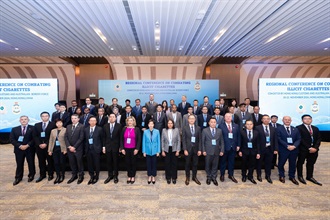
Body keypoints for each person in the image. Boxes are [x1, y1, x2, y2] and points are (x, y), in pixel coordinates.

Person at [296, 114, 322, 186]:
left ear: (311, 120)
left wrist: (315, 148)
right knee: (300, 163)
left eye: (309, 119)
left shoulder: (315, 128)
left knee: (311, 163)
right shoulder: (298, 128)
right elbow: (300, 139)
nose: (308, 120)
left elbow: (318, 139)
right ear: (302, 120)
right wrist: (309, 147)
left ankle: (309, 176)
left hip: (314, 150)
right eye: (305, 119)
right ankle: (300, 176)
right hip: (303, 149)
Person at [10, 116, 36, 185]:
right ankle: (18, 177)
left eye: (25, 119)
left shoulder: (33, 128)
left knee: (31, 163)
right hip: (19, 150)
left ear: (28, 120)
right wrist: (20, 146)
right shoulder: (14, 129)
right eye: (22, 119)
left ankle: (31, 175)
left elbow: (34, 138)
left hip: (29, 149)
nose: (23, 121)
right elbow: (12, 140)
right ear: (19, 121)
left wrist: (27, 145)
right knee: (19, 164)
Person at [277, 116, 301, 185]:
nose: (287, 121)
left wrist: (294, 146)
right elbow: (279, 139)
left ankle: (292, 176)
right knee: (281, 163)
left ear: (291, 120)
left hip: (294, 150)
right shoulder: (279, 129)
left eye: (289, 120)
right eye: (285, 120)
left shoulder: (295, 129)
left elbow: (298, 139)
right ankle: (281, 175)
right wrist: (287, 146)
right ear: (282, 120)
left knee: (293, 164)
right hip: (283, 149)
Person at [33, 111, 56, 183]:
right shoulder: (37, 125)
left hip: (49, 146)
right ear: (41, 117)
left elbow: (53, 136)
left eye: (46, 116)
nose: (44, 117)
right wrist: (39, 144)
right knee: (41, 161)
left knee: (50, 161)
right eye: (43, 116)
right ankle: (42, 175)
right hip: (39, 147)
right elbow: (35, 136)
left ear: (49, 117)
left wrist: (46, 143)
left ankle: (50, 174)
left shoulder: (53, 124)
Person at [255, 115, 278, 184]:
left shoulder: (273, 128)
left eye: (267, 119)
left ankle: (268, 176)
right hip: (260, 149)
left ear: (269, 120)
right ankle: (259, 175)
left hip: (270, 149)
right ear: (262, 120)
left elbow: (275, 139)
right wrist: (257, 150)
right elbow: (256, 140)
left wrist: (276, 149)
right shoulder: (257, 128)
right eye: (264, 119)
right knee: (259, 163)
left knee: (268, 163)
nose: (266, 120)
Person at [201, 117, 224, 186]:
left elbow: (222, 142)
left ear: (216, 123)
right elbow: (203, 141)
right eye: (212, 122)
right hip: (208, 151)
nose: (213, 123)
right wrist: (203, 150)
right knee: (207, 165)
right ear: (209, 123)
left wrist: (222, 150)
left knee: (215, 165)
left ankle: (214, 177)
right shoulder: (205, 130)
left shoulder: (219, 131)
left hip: (217, 151)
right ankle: (208, 177)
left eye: (214, 122)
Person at [219, 113, 241, 183]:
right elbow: (219, 137)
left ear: (232, 118)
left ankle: (231, 175)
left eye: (229, 117)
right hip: (224, 147)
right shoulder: (221, 126)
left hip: (233, 147)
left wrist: (238, 145)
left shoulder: (236, 126)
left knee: (232, 162)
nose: (228, 118)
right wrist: (220, 147)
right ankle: (222, 175)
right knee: (223, 162)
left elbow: (238, 136)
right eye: (227, 117)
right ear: (224, 118)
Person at [120, 116, 141, 184]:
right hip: (126, 149)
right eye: (129, 121)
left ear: (133, 121)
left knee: (133, 162)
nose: (130, 122)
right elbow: (121, 139)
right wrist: (122, 148)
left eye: (131, 121)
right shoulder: (124, 129)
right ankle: (129, 175)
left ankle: (133, 176)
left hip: (134, 149)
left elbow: (139, 140)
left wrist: (137, 149)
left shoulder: (137, 129)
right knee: (127, 162)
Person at [65, 114, 85, 184]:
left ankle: (81, 175)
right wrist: (69, 146)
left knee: (79, 162)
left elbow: (81, 138)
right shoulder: (68, 126)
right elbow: (66, 137)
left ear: (78, 119)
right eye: (72, 118)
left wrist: (74, 147)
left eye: (75, 118)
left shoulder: (82, 126)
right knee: (72, 162)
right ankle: (74, 175)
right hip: (70, 148)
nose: (73, 120)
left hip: (78, 148)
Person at [182, 114, 202, 185]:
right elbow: (183, 139)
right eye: (190, 118)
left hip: (196, 150)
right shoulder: (184, 128)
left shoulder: (198, 128)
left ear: (195, 120)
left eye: (193, 119)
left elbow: (200, 140)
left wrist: (200, 149)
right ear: (188, 120)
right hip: (188, 149)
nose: (191, 120)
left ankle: (194, 177)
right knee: (187, 164)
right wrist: (184, 149)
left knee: (195, 164)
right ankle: (187, 177)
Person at [103, 113, 122, 184]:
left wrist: (121, 146)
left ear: (115, 118)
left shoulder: (119, 126)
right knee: (108, 162)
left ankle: (115, 176)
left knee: (115, 162)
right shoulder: (105, 126)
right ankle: (110, 175)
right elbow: (104, 137)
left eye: (113, 117)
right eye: (110, 117)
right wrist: (104, 146)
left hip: (116, 147)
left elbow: (120, 137)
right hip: (107, 147)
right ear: (108, 118)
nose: (111, 118)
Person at [239, 120, 260, 184]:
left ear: (253, 125)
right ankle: (244, 176)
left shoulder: (256, 132)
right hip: (244, 151)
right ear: (245, 125)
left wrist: (258, 153)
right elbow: (240, 142)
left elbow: (258, 143)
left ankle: (250, 176)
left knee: (252, 164)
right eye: (247, 124)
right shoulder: (242, 132)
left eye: (250, 124)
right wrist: (240, 151)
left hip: (253, 151)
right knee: (244, 164)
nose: (249, 125)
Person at [84, 116, 103, 185]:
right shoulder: (85, 129)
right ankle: (91, 176)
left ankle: (96, 176)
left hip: (96, 149)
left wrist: (101, 148)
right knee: (90, 164)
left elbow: (102, 139)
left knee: (96, 163)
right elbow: (84, 140)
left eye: (94, 120)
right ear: (89, 122)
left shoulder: (100, 129)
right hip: (88, 149)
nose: (92, 122)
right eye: (91, 121)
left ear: (96, 122)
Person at [161, 119, 181, 184]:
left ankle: (174, 177)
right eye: (169, 123)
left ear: (173, 124)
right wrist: (163, 150)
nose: (170, 124)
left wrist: (178, 150)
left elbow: (178, 140)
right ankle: (168, 177)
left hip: (174, 149)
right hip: (167, 149)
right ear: (167, 124)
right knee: (167, 164)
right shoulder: (164, 130)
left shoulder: (176, 130)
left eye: (171, 123)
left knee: (174, 164)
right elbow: (162, 141)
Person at [48, 119, 67, 184]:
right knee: (56, 163)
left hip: (62, 149)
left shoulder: (65, 130)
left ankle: (62, 175)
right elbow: (51, 140)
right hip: (54, 149)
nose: (58, 124)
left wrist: (65, 149)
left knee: (62, 162)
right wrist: (50, 150)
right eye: (57, 123)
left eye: (60, 123)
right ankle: (58, 175)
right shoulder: (53, 131)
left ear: (62, 123)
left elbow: (67, 140)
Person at [142, 120, 161, 184]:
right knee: (148, 164)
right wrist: (144, 151)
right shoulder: (145, 132)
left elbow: (158, 141)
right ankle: (149, 176)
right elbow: (143, 142)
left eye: (152, 124)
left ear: (153, 125)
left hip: (155, 150)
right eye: (149, 124)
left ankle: (154, 176)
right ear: (148, 125)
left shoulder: (157, 131)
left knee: (154, 164)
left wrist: (158, 151)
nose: (150, 125)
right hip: (147, 150)